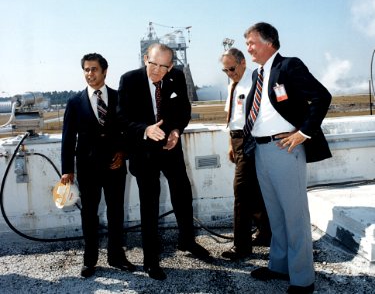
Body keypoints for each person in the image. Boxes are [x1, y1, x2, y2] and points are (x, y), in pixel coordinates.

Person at [242, 22, 332, 294]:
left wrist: (303, 133)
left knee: (294, 216)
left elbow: (321, 97)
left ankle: (303, 279)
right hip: (261, 150)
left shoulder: (288, 66)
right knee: (276, 215)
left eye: (252, 43)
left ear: (269, 42)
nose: (248, 48)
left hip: (285, 149)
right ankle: (279, 266)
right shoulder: (257, 75)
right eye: (247, 43)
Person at [117, 43, 210, 281]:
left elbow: (183, 110)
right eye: (153, 64)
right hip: (143, 151)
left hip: (170, 148)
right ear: (145, 58)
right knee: (150, 205)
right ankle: (151, 261)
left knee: (183, 195)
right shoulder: (129, 80)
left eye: (163, 66)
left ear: (171, 66)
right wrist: (146, 129)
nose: (157, 71)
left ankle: (187, 242)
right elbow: (121, 118)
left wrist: (177, 130)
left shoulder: (176, 77)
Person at [61, 53, 135, 278]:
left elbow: (129, 129)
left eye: (94, 69)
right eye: (86, 69)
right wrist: (67, 170)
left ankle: (116, 257)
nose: (89, 74)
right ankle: (89, 260)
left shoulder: (119, 97)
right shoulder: (75, 103)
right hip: (88, 169)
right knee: (89, 215)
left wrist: (124, 153)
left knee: (115, 213)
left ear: (104, 71)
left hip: (115, 166)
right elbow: (68, 138)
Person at [220, 48, 271, 261]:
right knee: (255, 190)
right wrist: (232, 145)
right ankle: (266, 233)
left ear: (242, 63)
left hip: (251, 140)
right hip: (238, 139)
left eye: (231, 68)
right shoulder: (233, 83)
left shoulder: (254, 80)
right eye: (225, 70)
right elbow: (233, 117)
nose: (229, 73)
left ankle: (241, 247)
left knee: (241, 191)